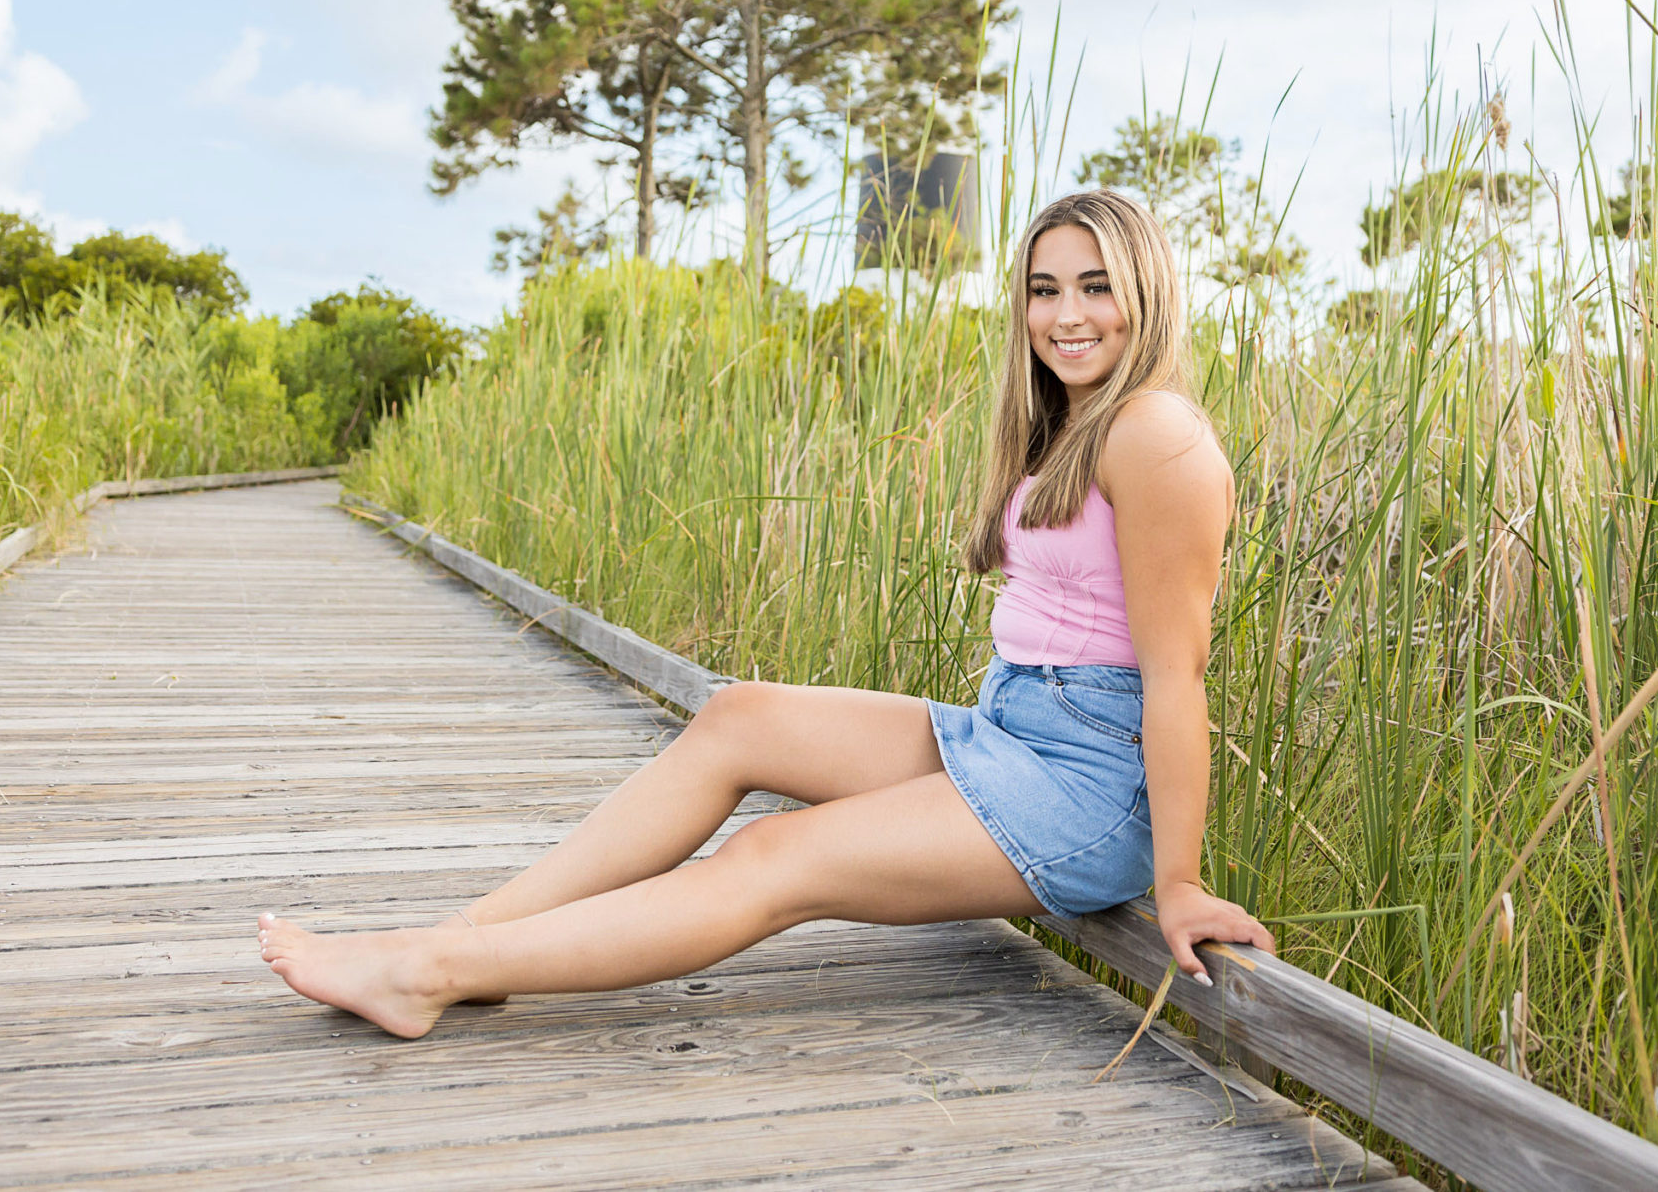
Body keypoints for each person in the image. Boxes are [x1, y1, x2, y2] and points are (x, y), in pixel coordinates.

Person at [257, 189, 1274, 1036]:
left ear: (1148, 293)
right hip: (1017, 728)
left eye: (1097, 288)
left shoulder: (1158, 438)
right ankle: (473, 943)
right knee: (741, 717)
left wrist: (1177, 881)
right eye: (1044, 289)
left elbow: (1175, 679)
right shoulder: (1076, 425)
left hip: (1090, 788)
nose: (1067, 315)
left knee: (773, 856)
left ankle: (424, 973)